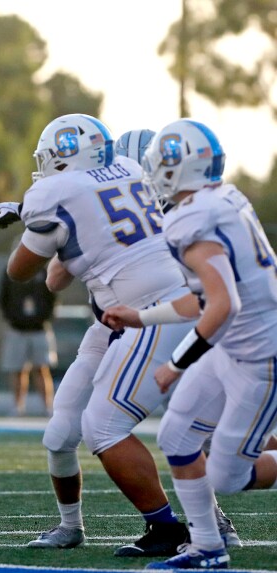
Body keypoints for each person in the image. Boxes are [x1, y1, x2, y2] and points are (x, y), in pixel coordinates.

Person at [0, 114, 201, 558]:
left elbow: (22, 271)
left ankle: (179, 527)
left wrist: (35, 222)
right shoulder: (126, 175)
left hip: (151, 315)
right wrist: (39, 219)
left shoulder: (61, 192)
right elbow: (58, 274)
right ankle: (70, 526)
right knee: (61, 431)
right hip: (115, 321)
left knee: (108, 425)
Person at [102, 119, 277, 570]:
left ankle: (209, 545)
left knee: (228, 475)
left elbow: (223, 304)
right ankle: (206, 547)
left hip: (260, 355)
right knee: (177, 436)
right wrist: (139, 317)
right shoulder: (221, 199)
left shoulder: (190, 217)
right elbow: (202, 298)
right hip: (234, 345)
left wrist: (176, 365)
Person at [0, 260, 56, 416]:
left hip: (39, 329)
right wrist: (13, 318)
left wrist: (43, 317)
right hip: (17, 329)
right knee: (17, 369)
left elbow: (52, 297)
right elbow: (3, 298)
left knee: (42, 367)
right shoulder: (10, 271)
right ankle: (18, 406)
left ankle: (48, 406)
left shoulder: (43, 271)